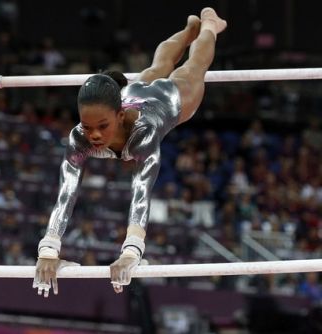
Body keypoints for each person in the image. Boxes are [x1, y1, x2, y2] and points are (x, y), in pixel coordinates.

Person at [33, 7, 227, 297]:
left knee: (191, 67)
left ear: (120, 115)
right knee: (158, 64)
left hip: (169, 100)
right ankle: (188, 30)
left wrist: (131, 250)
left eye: (102, 126)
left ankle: (209, 26)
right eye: (87, 126)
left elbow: (141, 192)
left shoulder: (143, 136)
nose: (94, 135)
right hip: (134, 93)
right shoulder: (79, 137)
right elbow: (67, 191)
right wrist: (49, 249)